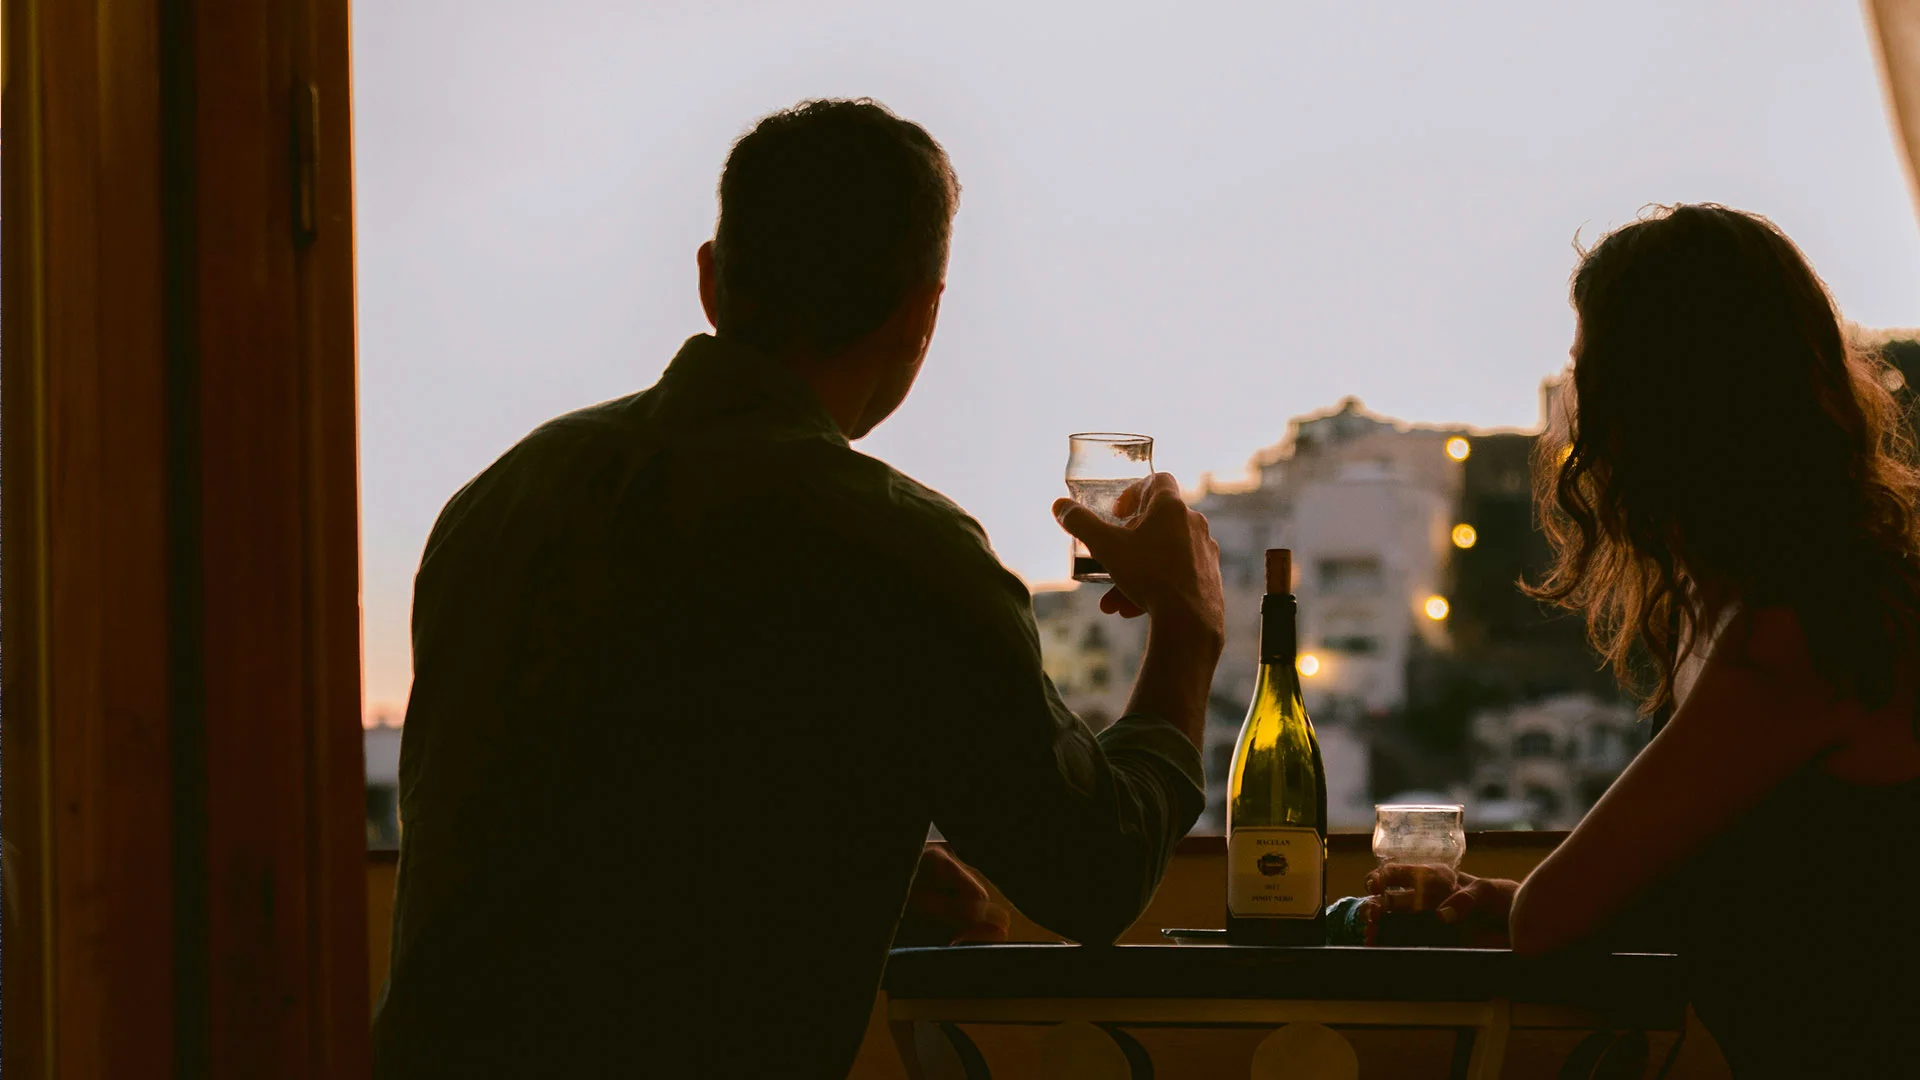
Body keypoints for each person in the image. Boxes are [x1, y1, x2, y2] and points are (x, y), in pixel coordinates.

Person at [369, 98, 1224, 1078]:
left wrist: (842, 865)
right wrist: (1190, 627)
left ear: (710, 281)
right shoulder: (899, 548)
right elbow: (1094, 873)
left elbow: (595, 821)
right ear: (921, 315)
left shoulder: (502, 503)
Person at [1352, 204, 1920, 1075]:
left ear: (1659, 405)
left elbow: (1554, 921)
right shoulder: (1779, 603)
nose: (1579, 417)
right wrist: (1492, 902)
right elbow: (1698, 897)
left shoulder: (1791, 637)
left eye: (1591, 376)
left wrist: (1519, 907)